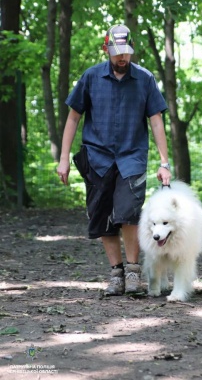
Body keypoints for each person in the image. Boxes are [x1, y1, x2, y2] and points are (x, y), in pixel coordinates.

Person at [57, 24, 171, 296]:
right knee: (103, 218)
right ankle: (116, 274)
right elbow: (73, 117)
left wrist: (164, 162)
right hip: (97, 158)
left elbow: (156, 121)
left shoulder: (145, 79)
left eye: (126, 52)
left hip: (132, 157)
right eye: (117, 51)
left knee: (128, 214)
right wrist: (63, 158)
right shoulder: (91, 77)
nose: (122, 57)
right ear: (106, 49)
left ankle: (133, 272)